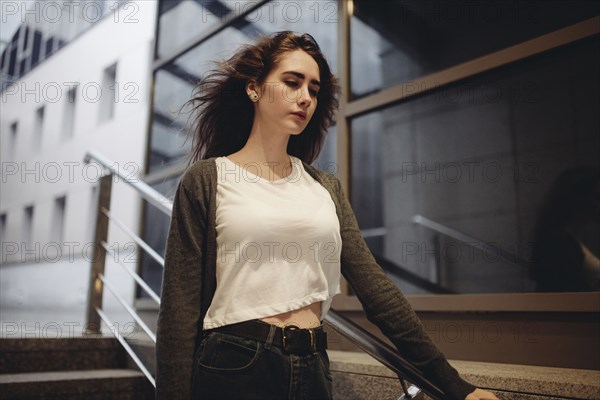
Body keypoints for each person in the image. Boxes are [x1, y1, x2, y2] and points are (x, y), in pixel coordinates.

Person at [155, 31, 499, 400]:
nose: (305, 98)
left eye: (314, 90)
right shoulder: (208, 179)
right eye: (292, 82)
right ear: (254, 89)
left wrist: (454, 385)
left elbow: (377, 291)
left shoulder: (325, 188)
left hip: (312, 365)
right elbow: (179, 314)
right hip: (234, 363)